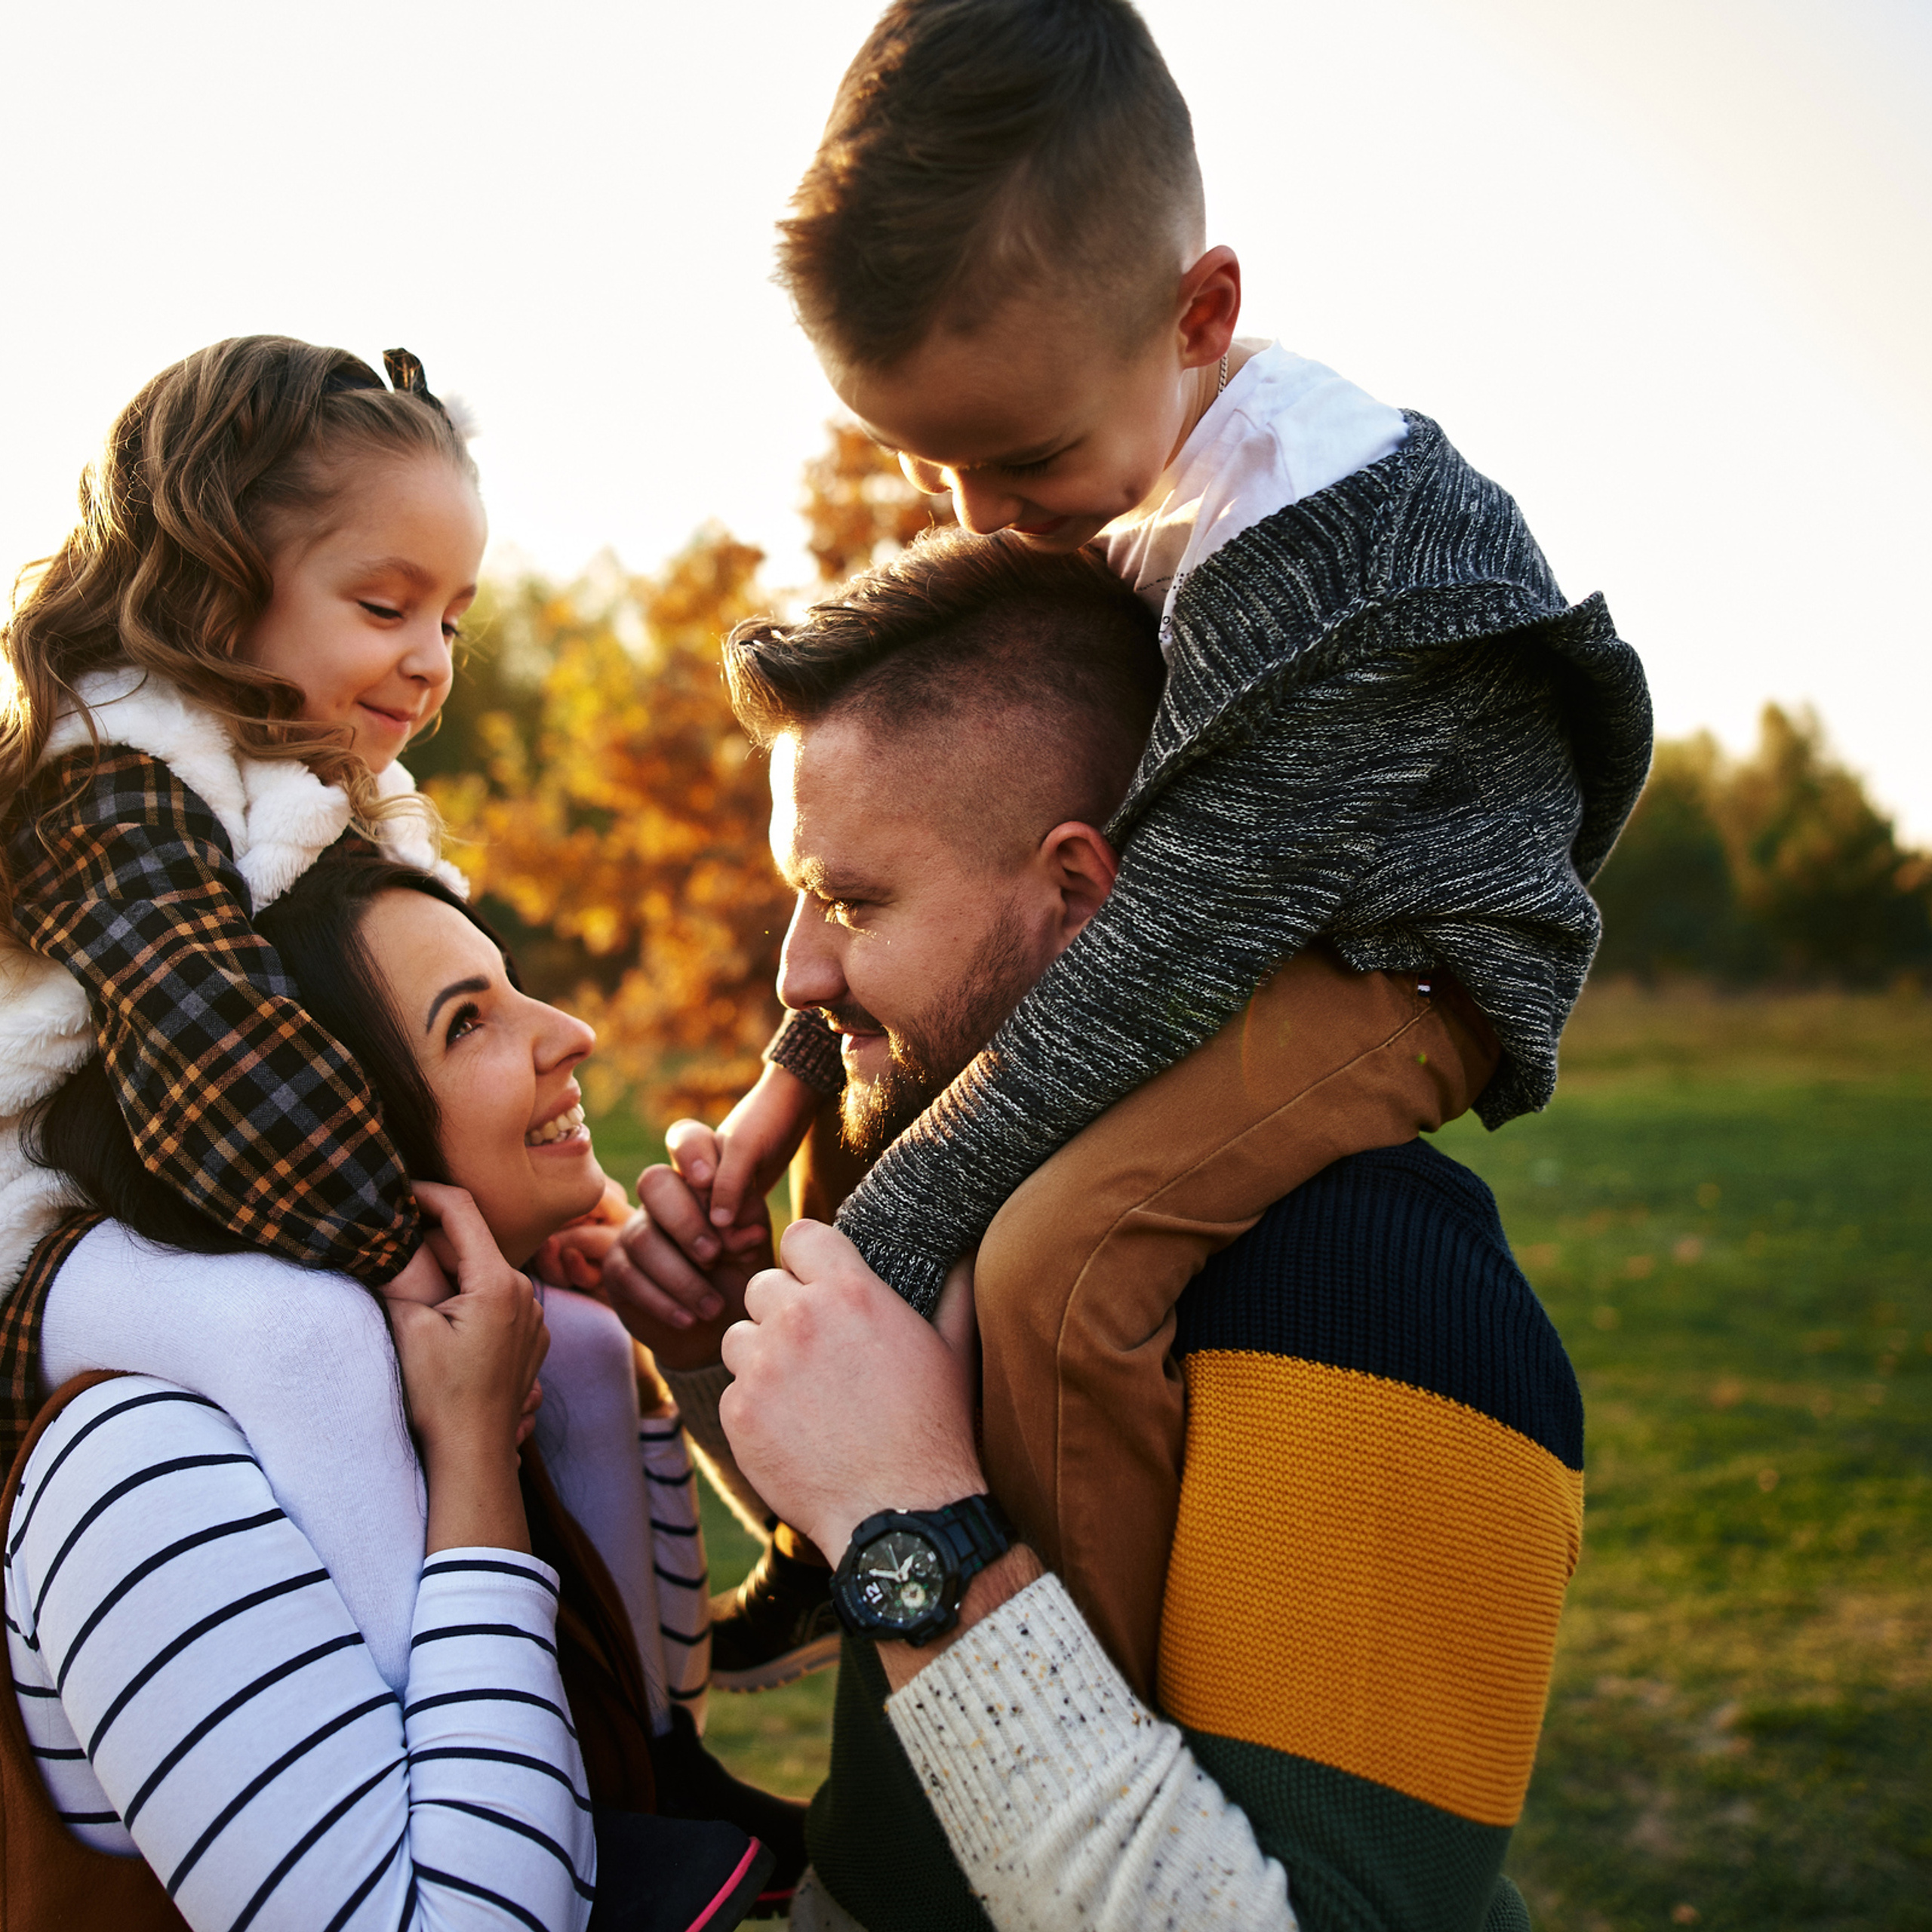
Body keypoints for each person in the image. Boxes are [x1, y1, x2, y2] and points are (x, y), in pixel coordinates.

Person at [607, 0, 1648, 1683]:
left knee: (1056, 1253)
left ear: (1202, 312)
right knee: (880, 1129)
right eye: (926, 463)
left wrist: (879, 1256)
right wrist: (789, 1091)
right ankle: (824, 1546)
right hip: (1200, 913)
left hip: (1384, 954)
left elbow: (1147, 961)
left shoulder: (1330, 549)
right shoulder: (1117, 475)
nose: (978, 516)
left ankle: (1078, 1685)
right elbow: (962, 869)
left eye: (1015, 457)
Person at [634, 533, 1583, 1930]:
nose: (798, 972)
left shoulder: (1378, 1278)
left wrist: (913, 1522)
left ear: (1077, 893)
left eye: (849, 901)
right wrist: (717, 1353)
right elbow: (887, 1598)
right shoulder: (963, 1186)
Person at [5, 857, 779, 1929]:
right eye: (469, 1022)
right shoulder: (142, 1466)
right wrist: (470, 1467)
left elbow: (648, 1730)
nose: (571, 1032)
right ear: (320, 1128)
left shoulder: (495, 1363)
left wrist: (639, 1356)